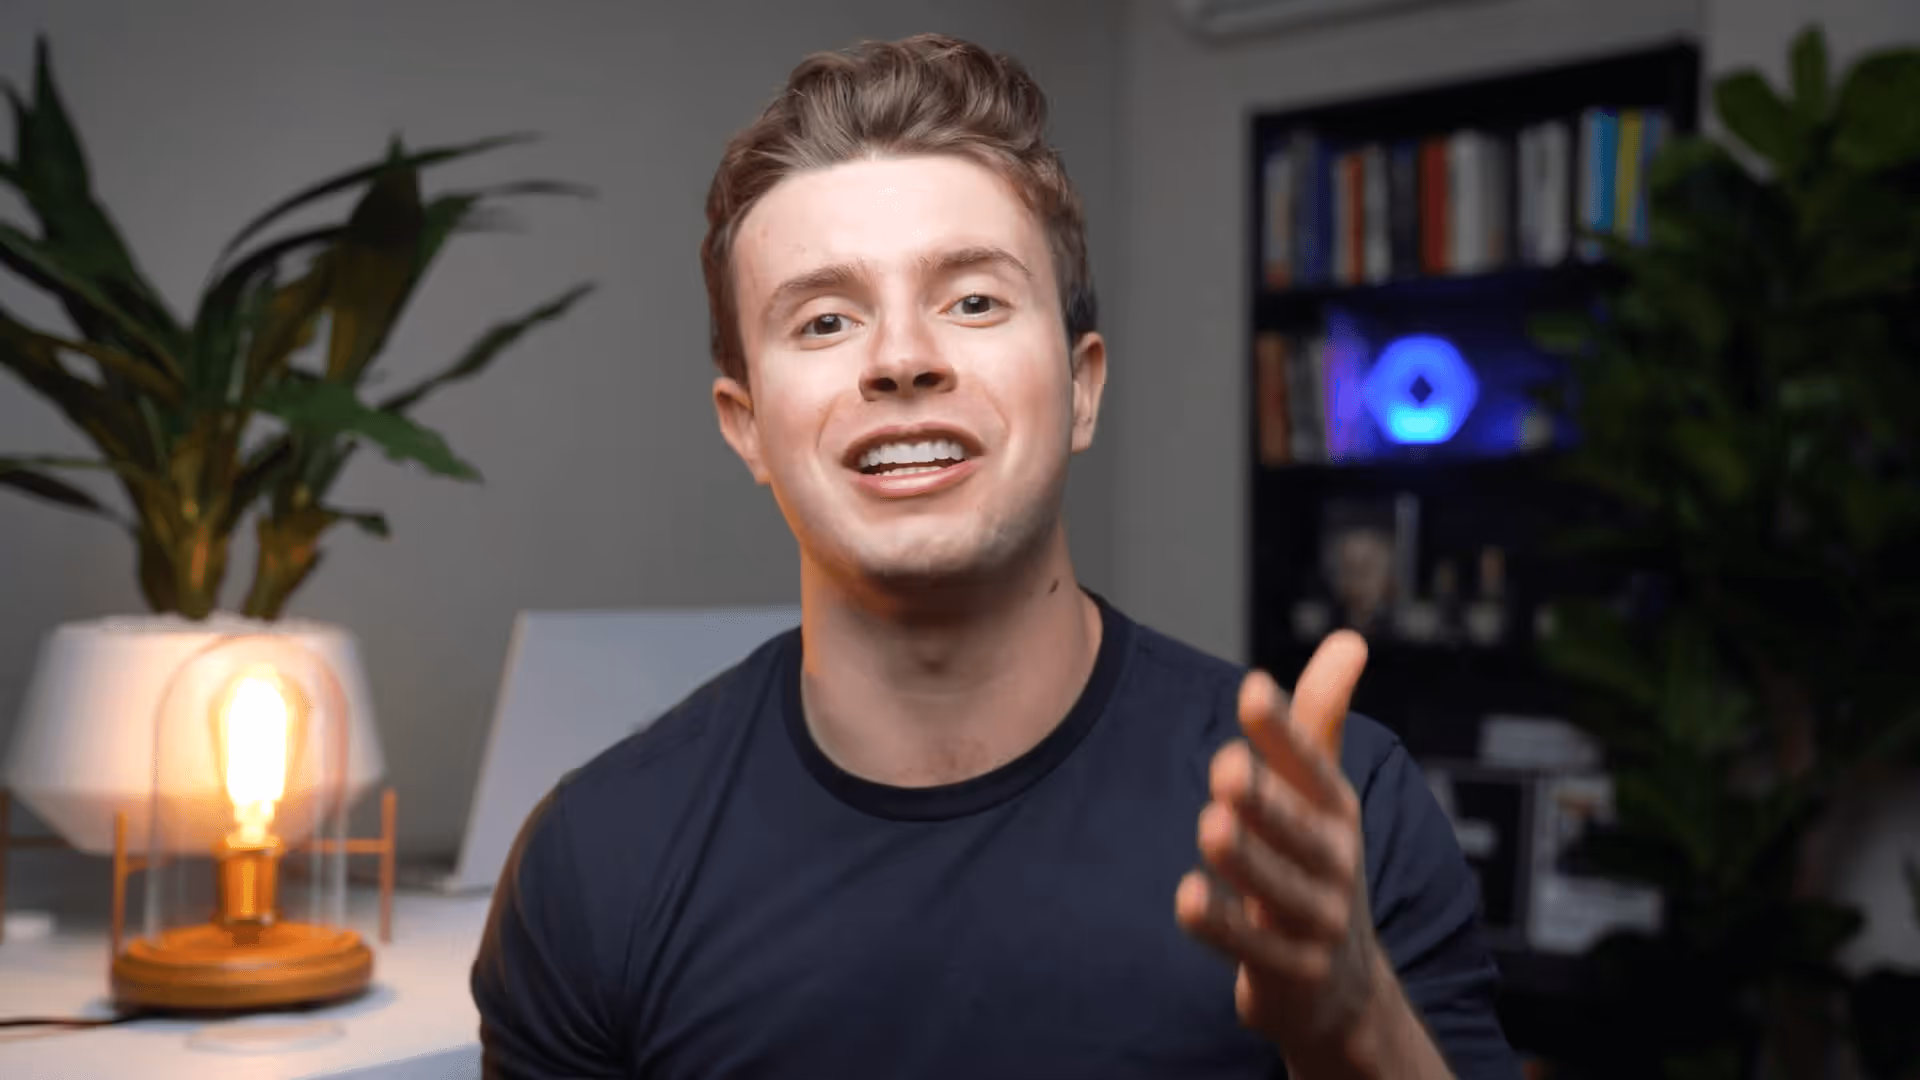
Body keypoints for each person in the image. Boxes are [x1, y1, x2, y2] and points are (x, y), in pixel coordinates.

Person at [471, 32, 1519, 1080]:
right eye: (827, 318)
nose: (902, 359)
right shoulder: (593, 865)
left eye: (973, 300)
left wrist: (1353, 1025)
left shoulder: (1333, 822)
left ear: (1082, 388)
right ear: (745, 425)